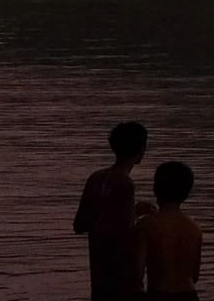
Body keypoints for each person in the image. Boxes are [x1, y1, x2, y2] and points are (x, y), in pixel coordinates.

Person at [73, 121, 150, 301]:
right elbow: (125, 232)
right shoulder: (125, 183)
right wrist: (138, 215)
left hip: (100, 278)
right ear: (141, 150)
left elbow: (80, 225)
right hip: (123, 281)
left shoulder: (96, 178)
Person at [136, 160, 203, 301]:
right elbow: (194, 276)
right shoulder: (194, 228)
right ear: (186, 193)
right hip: (189, 295)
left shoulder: (146, 225)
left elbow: (136, 273)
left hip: (159, 293)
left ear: (155, 188)